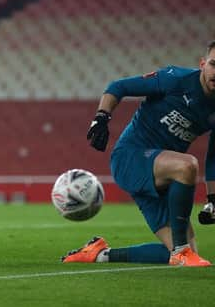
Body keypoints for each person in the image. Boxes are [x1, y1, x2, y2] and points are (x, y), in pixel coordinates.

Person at [62, 42, 215, 267]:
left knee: (188, 255)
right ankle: (181, 250)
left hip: (164, 175)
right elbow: (118, 87)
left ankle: (99, 253)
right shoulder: (175, 79)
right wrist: (102, 116)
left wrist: (212, 200)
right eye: (213, 64)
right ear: (202, 64)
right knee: (187, 165)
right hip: (130, 158)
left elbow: (213, 157)